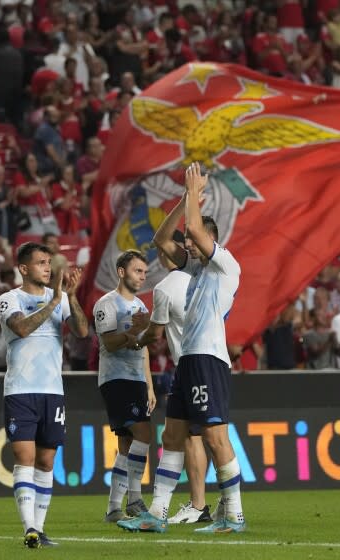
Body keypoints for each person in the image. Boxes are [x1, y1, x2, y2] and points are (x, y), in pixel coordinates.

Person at [118, 162, 245, 534]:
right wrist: (182, 200)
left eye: (195, 241)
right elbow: (161, 238)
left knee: (214, 436)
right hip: (188, 360)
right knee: (172, 436)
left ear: (211, 240)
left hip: (209, 358)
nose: (188, 244)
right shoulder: (195, 271)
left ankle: (233, 514)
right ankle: (157, 513)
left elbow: (191, 229)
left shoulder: (225, 265)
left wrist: (192, 195)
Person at [0, 242, 88, 548]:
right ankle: (29, 528)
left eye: (49, 262)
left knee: (47, 461)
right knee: (25, 457)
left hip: (52, 390)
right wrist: (54, 303)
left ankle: (40, 528)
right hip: (21, 390)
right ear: (24, 268)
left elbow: (83, 331)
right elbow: (21, 329)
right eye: (40, 263)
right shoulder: (10, 299)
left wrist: (70, 298)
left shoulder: (58, 297)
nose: (47, 267)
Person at [139, 230, 216, 524]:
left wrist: (138, 335)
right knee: (177, 436)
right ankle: (163, 509)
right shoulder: (203, 278)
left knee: (201, 436)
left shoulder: (165, 287)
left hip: (190, 365)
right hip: (207, 362)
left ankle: (204, 506)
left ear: (162, 254)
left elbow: (155, 335)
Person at [94, 250, 156, 522]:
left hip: (136, 379)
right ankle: (135, 499)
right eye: (137, 271)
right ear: (121, 272)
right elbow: (108, 343)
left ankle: (113, 508)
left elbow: (142, 349)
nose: (142, 277)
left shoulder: (141, 308)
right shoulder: (106, 305)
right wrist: (133, 332)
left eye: (144, 272)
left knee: (127, 443)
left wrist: (150, 386)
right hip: (116, 377)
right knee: (143, 433)